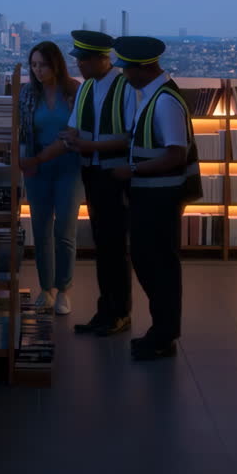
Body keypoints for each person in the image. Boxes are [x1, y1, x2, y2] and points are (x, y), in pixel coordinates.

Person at [33, 30, 132, 335]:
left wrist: (89, 147)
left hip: (113, 175)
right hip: (91, 172)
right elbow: (75, 126)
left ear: (104, 59)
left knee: (114, 246)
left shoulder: (125, 87)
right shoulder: (87, 88)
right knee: (104, 245)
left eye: (86, 60)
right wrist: (71, 137)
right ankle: (107, 310)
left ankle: (119, 311)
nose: (81, 66)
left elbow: (131, 136)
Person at [109, 36, 201, 361]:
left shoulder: (164, 102)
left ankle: (163, 334)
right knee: (150, 263)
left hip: (160, 198)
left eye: (128, 68)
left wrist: (132, 170)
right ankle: (160, 332)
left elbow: (176, 155)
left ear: (144, 68)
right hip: (151, 196)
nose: (124, 74)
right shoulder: (152, 96)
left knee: (159, 266)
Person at [17, 41, 83, 314]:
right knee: (41, 228)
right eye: (33, 65)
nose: (38, 70)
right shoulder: (28, 94)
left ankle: (64, 289)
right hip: (38, 168)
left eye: (42, 64)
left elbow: (77, 131)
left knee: (65, 229)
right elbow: (23, 131)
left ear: (55, 64)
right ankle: (46, 288)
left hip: (69, 166)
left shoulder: (75, 91)